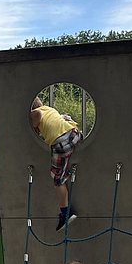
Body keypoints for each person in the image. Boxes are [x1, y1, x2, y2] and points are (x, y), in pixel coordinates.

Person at [29, 97, 83, 231]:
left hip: (61, 143)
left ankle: (65, 214)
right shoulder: (50, 110)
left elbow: (37, 115)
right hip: (75, 134)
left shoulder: (36, 112)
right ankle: (66, 172)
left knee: (57, 178)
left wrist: (32, 122)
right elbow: (66, 117)